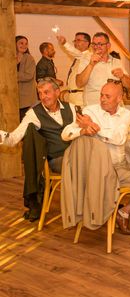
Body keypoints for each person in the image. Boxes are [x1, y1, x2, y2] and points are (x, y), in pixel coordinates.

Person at [61, 81, 130, 234]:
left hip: (122, 164)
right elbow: (66, 133)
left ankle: (124, 210)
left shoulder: (126, 114)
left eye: (107, 96)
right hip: (105, 171)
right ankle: (125, 213)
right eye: (101, 95)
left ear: (119, 99)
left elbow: (119, 138)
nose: (102, 99)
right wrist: (83, 131)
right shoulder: (90, 111)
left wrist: (95, 128)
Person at [0, 78, 77, 219]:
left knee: (99, 162)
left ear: (57, 92)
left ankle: (100, 204)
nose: (43, 97)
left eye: (46, 92)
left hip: (76, 155)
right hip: (57, 160)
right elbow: (13, 138)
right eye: (40, 93)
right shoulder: (34, 114)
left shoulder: (71, 108)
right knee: (85, 166)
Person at [76, 32, 130, 106]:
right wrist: (91, 65)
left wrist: (123, 76)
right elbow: (79, 84)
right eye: (94, 44)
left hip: (115, 108)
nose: (96, 47)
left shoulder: (116, 61)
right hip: (94, 108)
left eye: (100, 44)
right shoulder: (86, 60)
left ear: (108, 45)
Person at [57, 32, 91, 106]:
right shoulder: (78, 58)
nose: (75, 43)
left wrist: (65, 43)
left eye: (78, 40)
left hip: (80, 98)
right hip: (72, 96)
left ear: (86, 43)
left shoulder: (87, 56)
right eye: (75, 41)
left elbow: (75, 52)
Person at [16, 35, 37, 120]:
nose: (24, 46)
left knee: (22, 122)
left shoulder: (29, 58)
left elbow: (28, 76)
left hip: (26, 98)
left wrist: (11, 76)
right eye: (21, 43)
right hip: (14, 96)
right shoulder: (9, 58)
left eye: (26, 44)